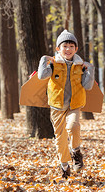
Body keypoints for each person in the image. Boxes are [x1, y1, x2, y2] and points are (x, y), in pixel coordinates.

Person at [37, 30, 95, 179]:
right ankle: (64, 165)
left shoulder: (80, 66)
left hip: (74, 104)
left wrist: (90, 70)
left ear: (76, 49)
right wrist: (44, 59)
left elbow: (87, 86)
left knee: (73, 126)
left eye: (71, 46)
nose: (68, 49)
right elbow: (42, 75)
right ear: (58, 49)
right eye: (64, 46)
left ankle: (76, 151)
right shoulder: (54, 64)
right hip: (57, 105)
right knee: (60, 138)